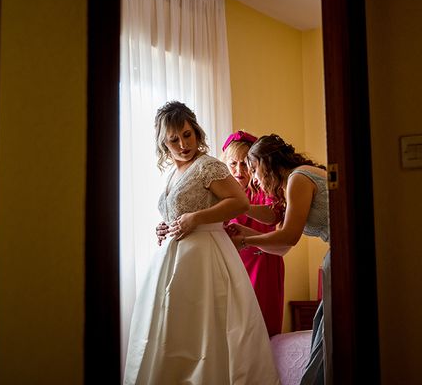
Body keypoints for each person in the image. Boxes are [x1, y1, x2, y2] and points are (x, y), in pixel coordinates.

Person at [123, 102, 280, 385]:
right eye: (174, 139)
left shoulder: (207, 166)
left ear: (196, 132)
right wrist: (165, 227)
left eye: (187, 135)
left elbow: (239, 202)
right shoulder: (173, 174)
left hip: (205, 255)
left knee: (207, 330)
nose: (183, 144)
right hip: (175, 259)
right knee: (174, 331)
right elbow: (179, 213)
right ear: (163, 143)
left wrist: (196, 218)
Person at [228, 134, 330, 385]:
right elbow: (280, 243)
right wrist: (244, 229)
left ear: (266, 164)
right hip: (335, 255)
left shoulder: (298, 179)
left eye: (252, 168)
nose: (252, 177)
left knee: (328, 336)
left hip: (345, 253)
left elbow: (289, 237)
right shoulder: (292, 184)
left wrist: (245, 241)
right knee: (324, 330)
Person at [221, 130, 286, 337]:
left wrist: (241, 205)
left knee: (260, 329)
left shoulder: (265, 187)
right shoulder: (220, 190)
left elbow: (273, 216)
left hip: (262, 262)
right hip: (230, 263)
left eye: (244, 164)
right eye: (233, 164)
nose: (239, 170)